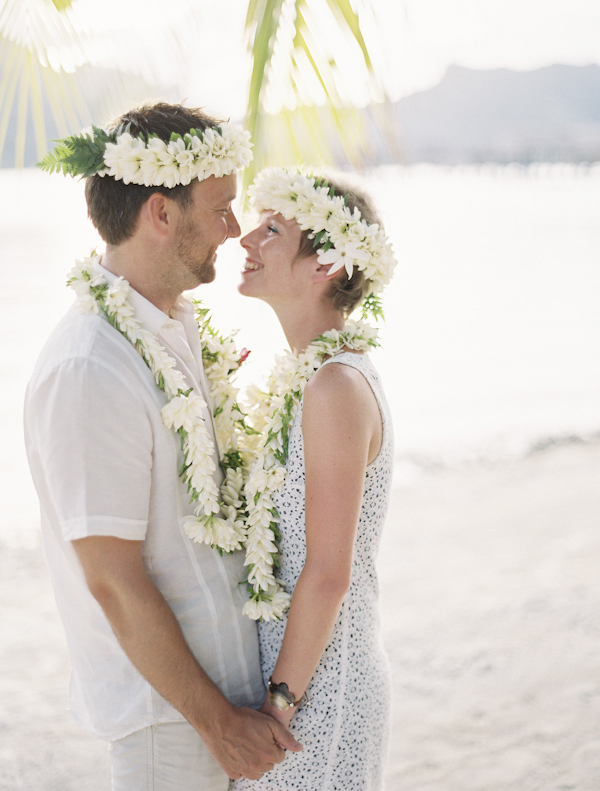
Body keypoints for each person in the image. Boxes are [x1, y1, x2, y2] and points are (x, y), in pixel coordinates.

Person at [24, 102, 301, 791]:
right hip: (171, 725)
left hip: (222, 706)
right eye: (221, 208)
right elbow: (113, 580)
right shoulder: (91, 365)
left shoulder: (171, 332)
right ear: (161, 213)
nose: (235, 231)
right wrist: (218, 724)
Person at [232, 167, 397, 790]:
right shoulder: (312, 378)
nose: (247, 241)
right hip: (301, 673)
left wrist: (278, 705)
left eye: (271, 229)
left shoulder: (334, 387)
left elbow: (329, 575)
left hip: (317, 690)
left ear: (325, 264)